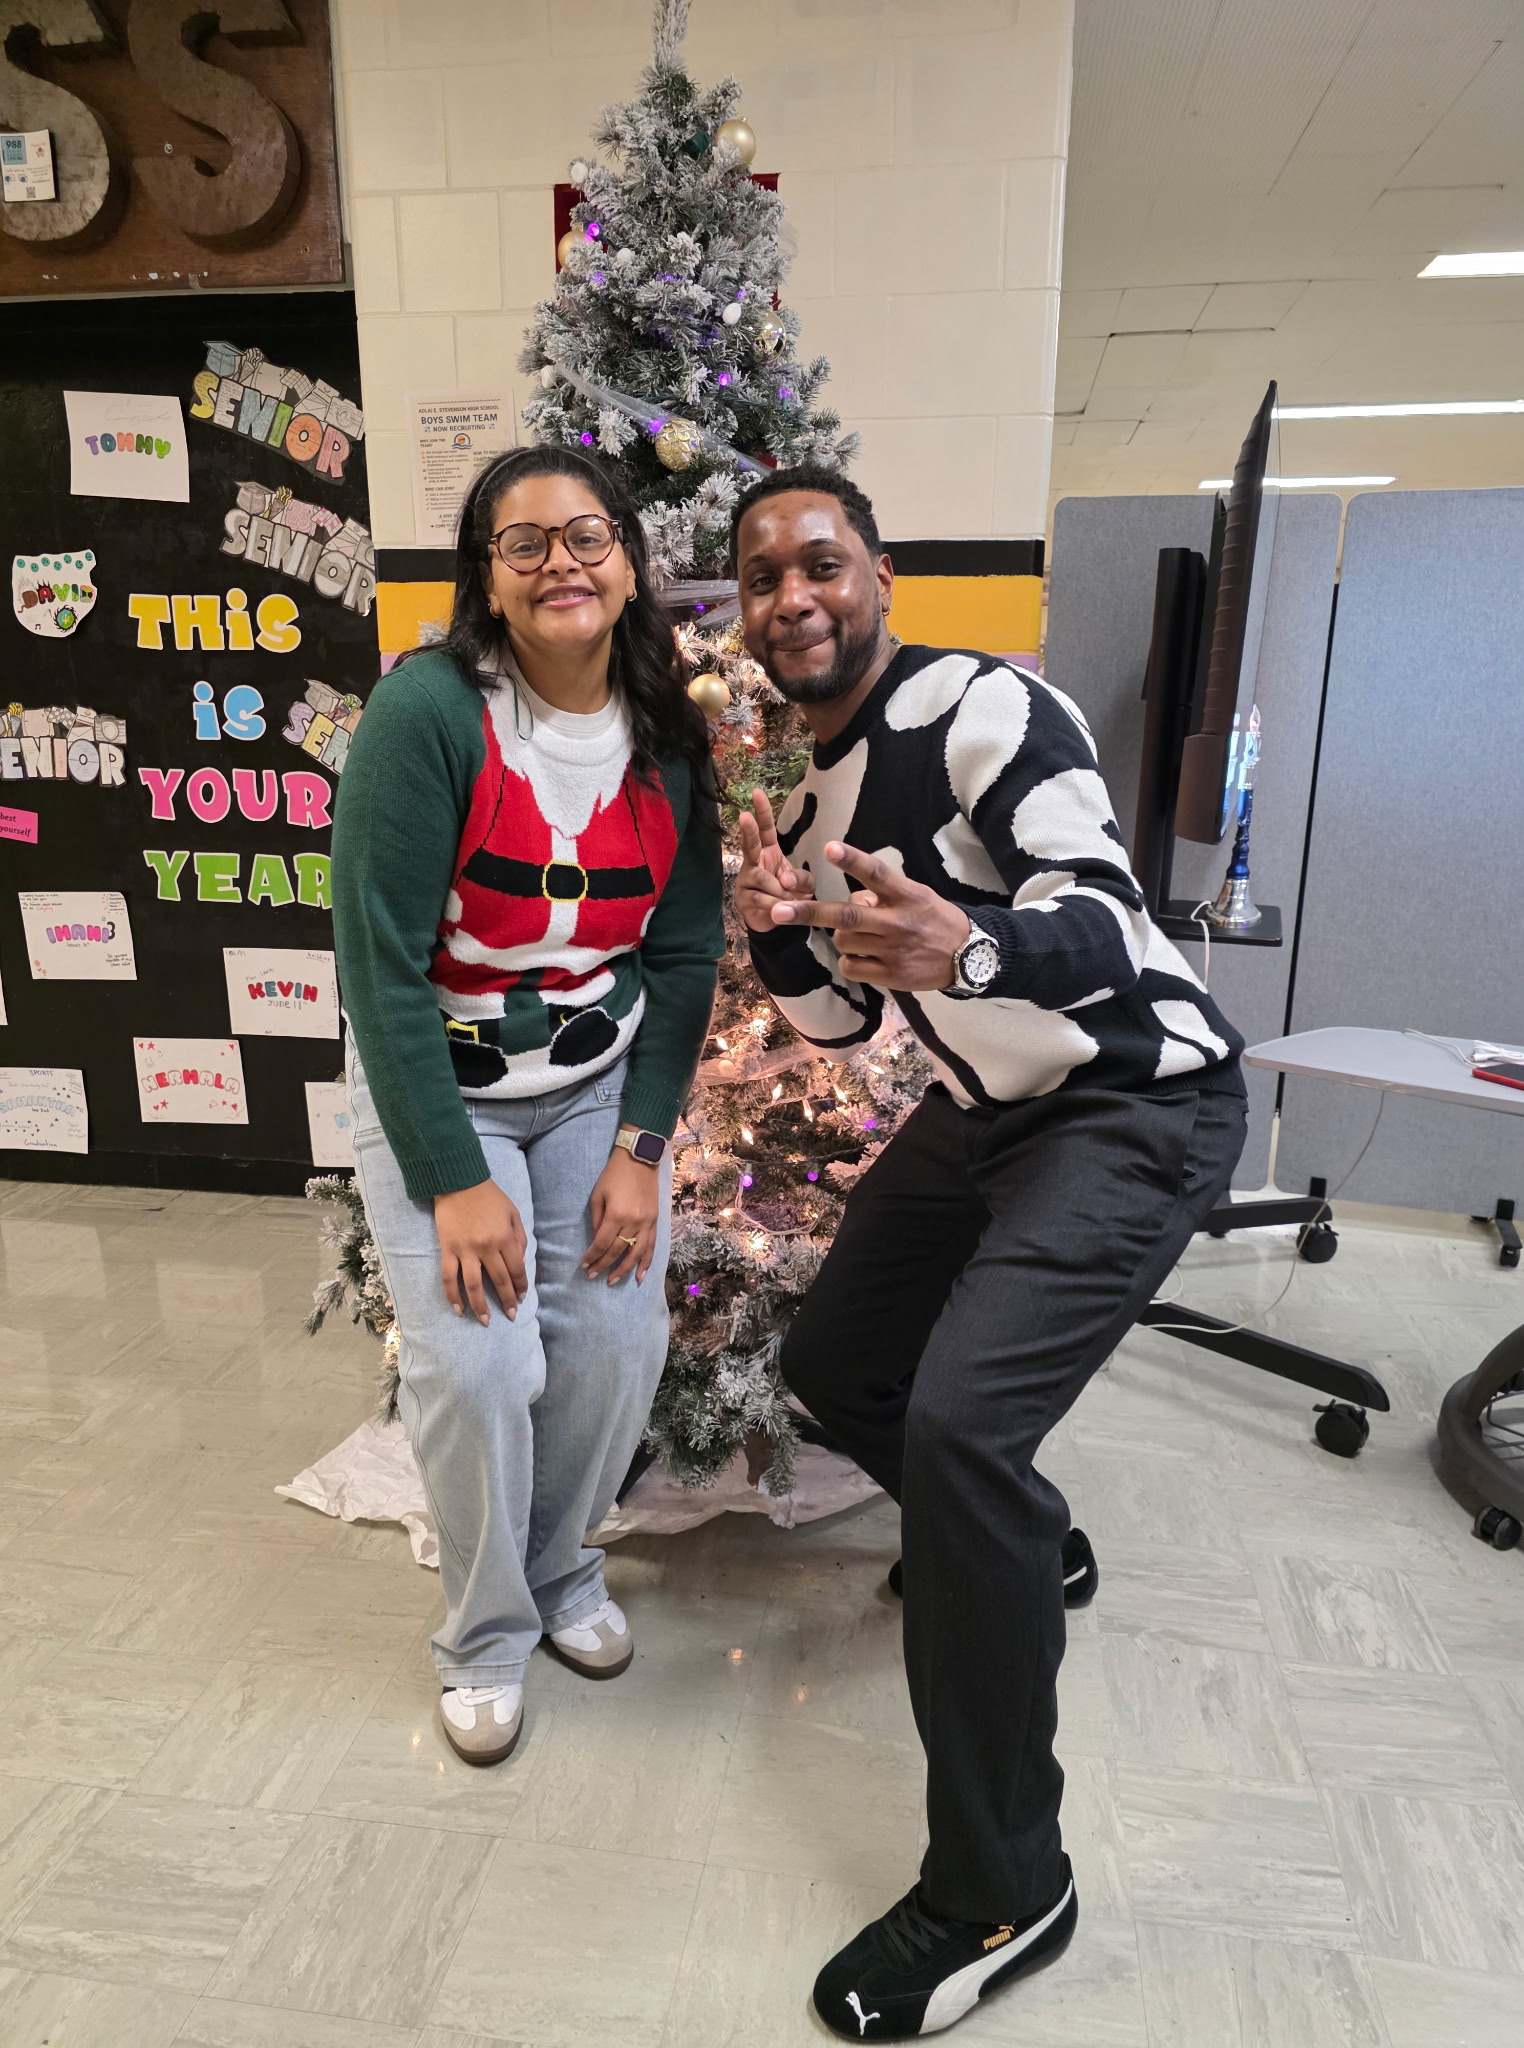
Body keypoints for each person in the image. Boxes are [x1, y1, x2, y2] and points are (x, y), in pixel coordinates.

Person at [730, 465, 1247, 2040]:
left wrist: (973, 943)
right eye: (761, 577)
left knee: (962, 1428)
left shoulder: (984, 710)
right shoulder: (806, 801)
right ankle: (1025, 1548)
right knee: (835, 1364)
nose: (793, 598)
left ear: (878, 574)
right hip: (982, 1117)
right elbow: (841, 1022)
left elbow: (1106, 913)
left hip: (1133, 1100)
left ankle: (1004, 1887)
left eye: (821, 563)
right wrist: (777, 931)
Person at [332, 446, 723, 1767]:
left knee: (614, 1340)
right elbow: (380, 968)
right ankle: (485, 1632)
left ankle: (559, 1572)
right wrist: (453, 1176)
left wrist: (641, 1146)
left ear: (630, 561)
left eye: (588, 534)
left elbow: (683, 953)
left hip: (595, 1084)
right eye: (525, 542)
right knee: (481, 1362)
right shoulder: (428, 714)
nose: (563, 561)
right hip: (439, 1083)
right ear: (487, 580)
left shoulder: (669, 733)